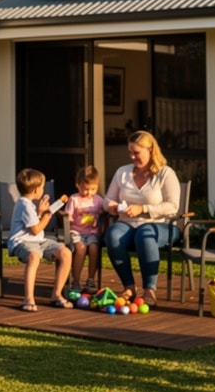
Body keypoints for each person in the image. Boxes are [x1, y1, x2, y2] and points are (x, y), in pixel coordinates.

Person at [104, 130, 181, 308]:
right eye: (130, 152)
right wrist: (111, 206)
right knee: (112, 235)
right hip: (127, 223)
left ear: (151, 149)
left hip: (160, 225)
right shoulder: (122, 172)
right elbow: (107, 199)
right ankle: (129, 287)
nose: (132, 157)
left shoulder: (165, 174)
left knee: (144, 234)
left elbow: (173, 207)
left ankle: (149, 289)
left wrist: (143, 209)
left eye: (136, 152)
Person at [7, 168, 73, 312]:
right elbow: (36, 229)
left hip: (38, 241)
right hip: (22, 242)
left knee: (65, 253)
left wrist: (40, 212)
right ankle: (28, 298)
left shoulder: (28, 204)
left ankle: (56, 294)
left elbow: (33, 224)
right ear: (36, 190)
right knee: (33, 257)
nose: (43, 190)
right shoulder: (24, 204)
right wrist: (46, 216)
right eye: (42, 187)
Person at [64, 165, 105, 292]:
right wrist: (68, 218)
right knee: (80, 248)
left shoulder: (98, 200)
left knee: (93, 248)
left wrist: (98, 218)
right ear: (78, 185)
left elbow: (104, 212)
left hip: (92, 232)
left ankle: (91, 279)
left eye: (93, 189)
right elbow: (68, 215)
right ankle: (76, 280)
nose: (89, 193)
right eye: (86, 189)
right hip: (76, 231)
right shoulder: (74, 199)